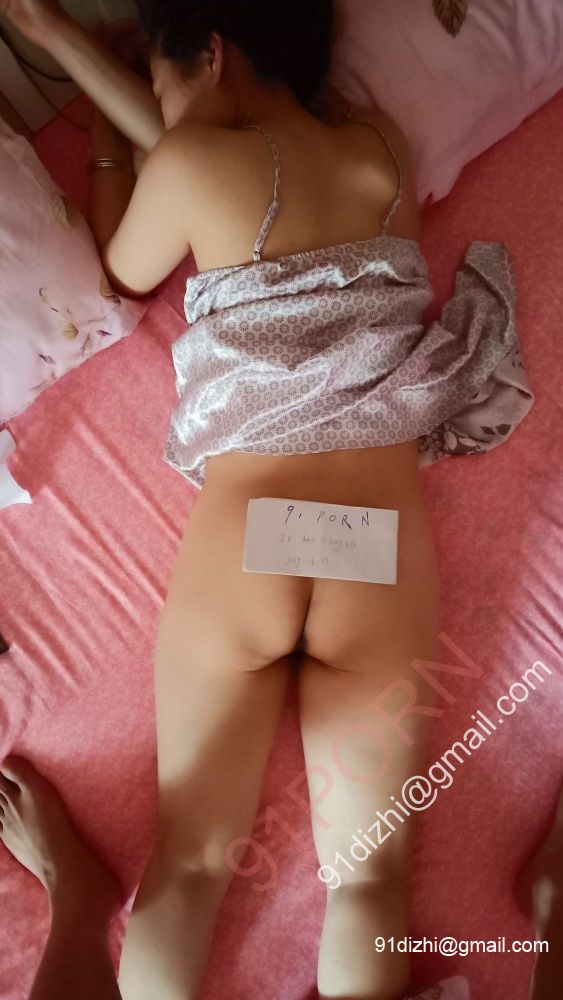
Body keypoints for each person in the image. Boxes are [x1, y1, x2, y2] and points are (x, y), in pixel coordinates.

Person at [0, 1, 533, 997]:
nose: (159, 110)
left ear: (211, 53)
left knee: (192, 858)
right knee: (369, 870)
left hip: (250, 541)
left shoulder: (187, 167)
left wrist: (103, 125)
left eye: (161, 85)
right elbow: (204, 143)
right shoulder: (379, 148)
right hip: (373, 550)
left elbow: (125, 262)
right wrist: (121, 78)